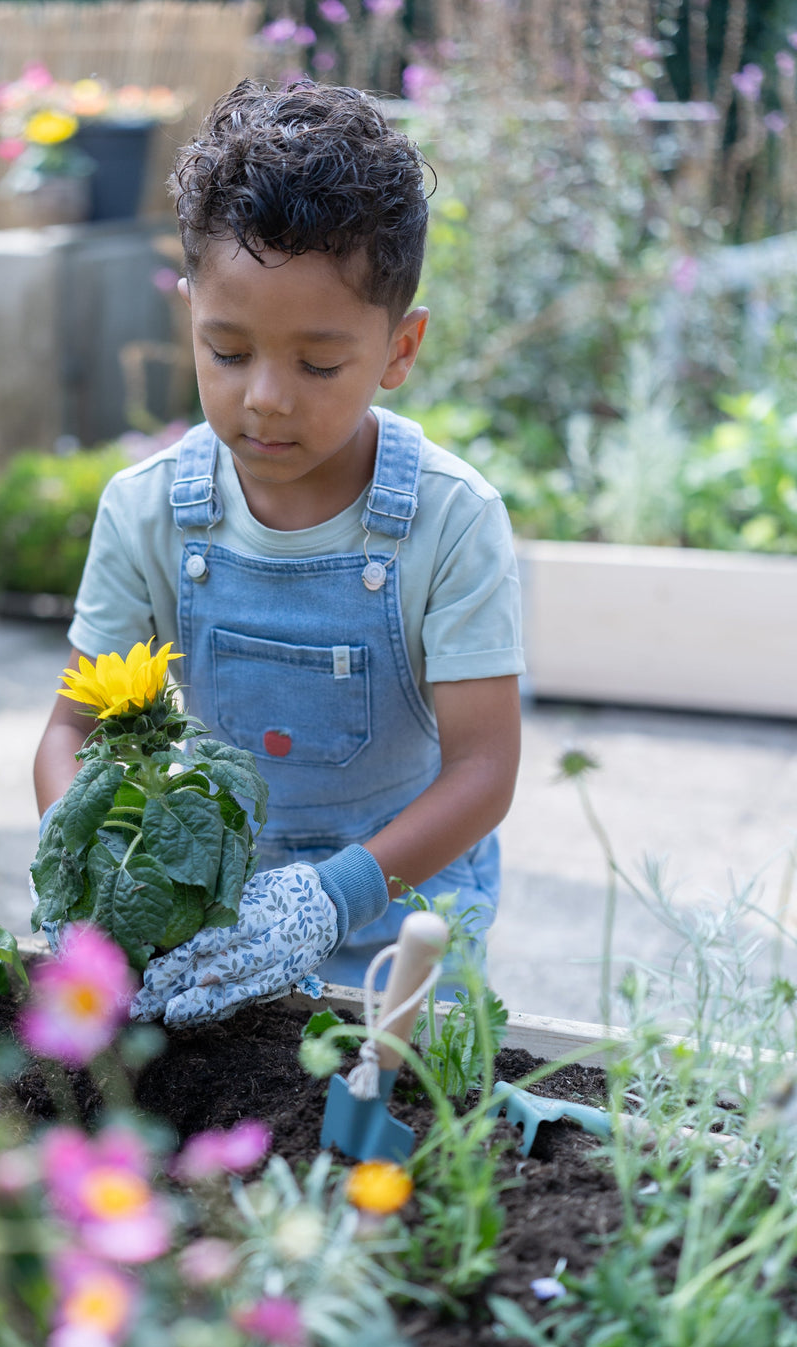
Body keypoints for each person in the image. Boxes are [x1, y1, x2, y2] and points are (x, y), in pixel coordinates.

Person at [33, 77, 524, 1025]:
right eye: (227, 351)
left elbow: (483, 772)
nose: (265, 396)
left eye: (318, 364)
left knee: (409, 1126)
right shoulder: (148, 511)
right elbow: (70, 734)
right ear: (189, 316)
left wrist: (328, 898)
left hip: (408, 920)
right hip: (214, 929)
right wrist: (83, 871)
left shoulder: (451, 519)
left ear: (400, 350)